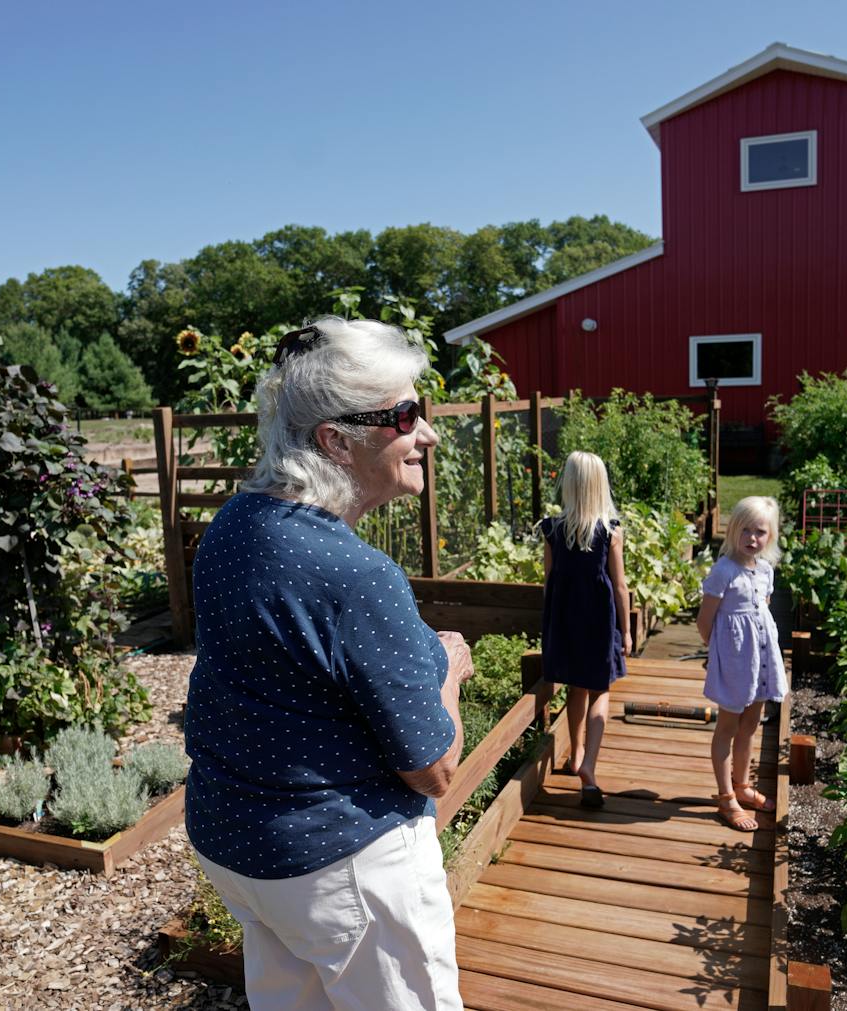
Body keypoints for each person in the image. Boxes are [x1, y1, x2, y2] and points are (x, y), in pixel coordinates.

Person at [184, 315, 469, 1011]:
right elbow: (433, 770)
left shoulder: (235, 524)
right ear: (336, 440)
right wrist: (450, 672)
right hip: (342, 870)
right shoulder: (356, 574)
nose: (427, 432)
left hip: (241, 850)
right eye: (406, 415)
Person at [539, 450, 631, 808]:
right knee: (600, 692)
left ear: (570, 485)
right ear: (600, 486)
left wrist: (550, 625)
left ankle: (575, 754)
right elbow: (620, 586)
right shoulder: (610, 531)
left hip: (566, 620)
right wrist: (626, 630)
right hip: (599, 622)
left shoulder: (552, 529)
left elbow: (549, 582)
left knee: (576, 690)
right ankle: (589, 766)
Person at [696, 495, 787, 832]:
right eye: (746, 530)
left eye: (760, 532)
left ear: (770, 537)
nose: (752, 538)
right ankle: (725, 797)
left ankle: (742, 784)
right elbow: (705, 621)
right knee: (728, 727)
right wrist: (718, 653)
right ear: (733, 531)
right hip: (735, 662)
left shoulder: (764, 570)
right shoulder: (724, 571)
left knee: (751, 724)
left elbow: (760, 611)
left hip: (761, 660)